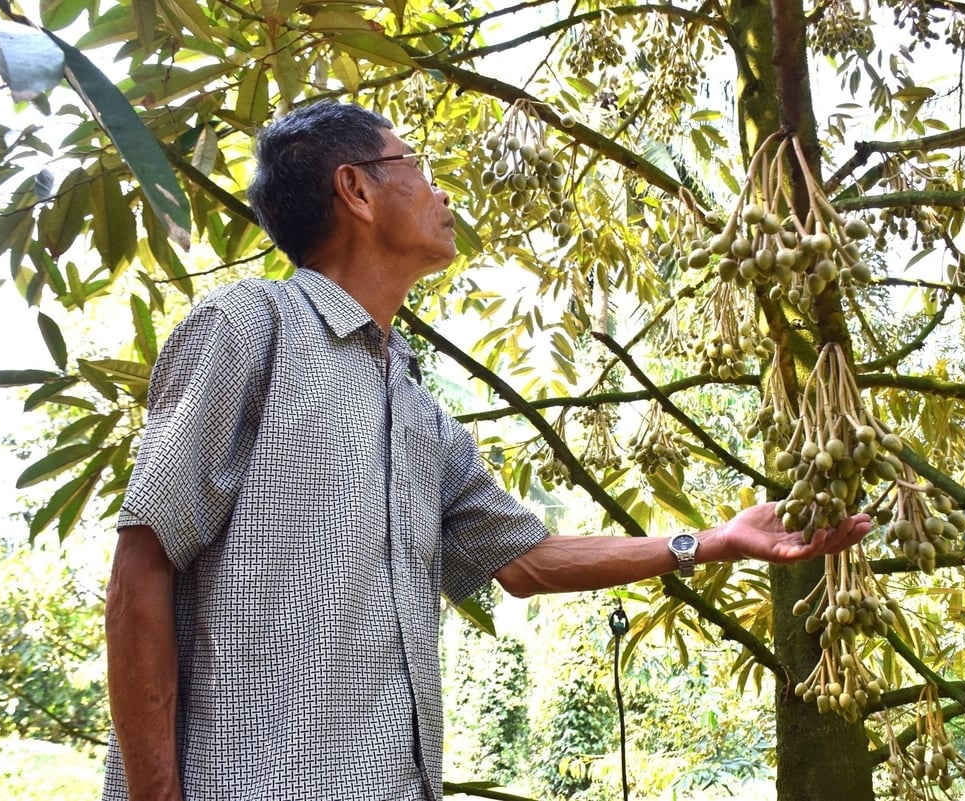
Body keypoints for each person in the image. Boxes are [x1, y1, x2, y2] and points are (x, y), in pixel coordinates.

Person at [102, 101, 871, 801]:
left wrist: (713, 541)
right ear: (356, 190)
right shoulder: (249, 328)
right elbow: (143, 564)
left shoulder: (416, 409)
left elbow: (526, 561)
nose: (442, 195)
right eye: (418, 168)